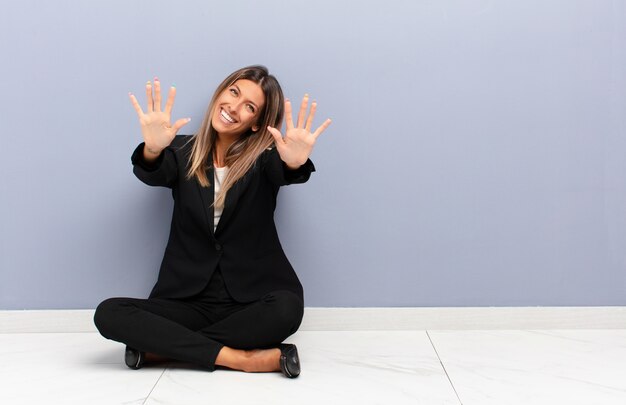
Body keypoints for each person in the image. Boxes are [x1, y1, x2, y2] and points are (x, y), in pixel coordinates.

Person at [94, 65, 331, 378]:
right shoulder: (179, 150)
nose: (234, 107)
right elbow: (152, 172)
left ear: (257, 124)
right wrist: (153, 148)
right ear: (221, 91)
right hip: (186, 301)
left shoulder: (267, 158)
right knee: (109, 313)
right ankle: (242, 359)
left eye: (249, 106)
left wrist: (295, 161)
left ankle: (163, 348)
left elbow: (286, 170)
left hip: (251, 300)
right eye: (233, 92)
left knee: (287, 309)